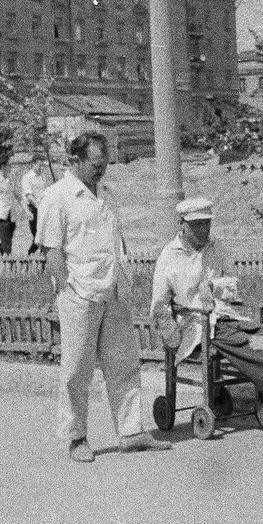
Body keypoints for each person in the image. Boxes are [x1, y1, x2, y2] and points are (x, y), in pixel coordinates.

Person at [36, 132, 171, 463]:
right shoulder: (57, 196)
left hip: (113, 292)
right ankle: (76, 437)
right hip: (79, 295)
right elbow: (51, 251)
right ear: (76, 160)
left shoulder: (108, 195)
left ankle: (131, 432)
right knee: (76, 370)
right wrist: (69, 288)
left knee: (124, 364)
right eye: (96, 165)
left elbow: (116, 241)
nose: (102, 171)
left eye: (105, 164)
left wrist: (124, 279)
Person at [149, 198, 263, 440]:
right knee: (251, 348)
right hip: (196, 324)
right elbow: (158, 304)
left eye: (207, 223)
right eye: (197, 225)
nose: (204, 229)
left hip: (227, 316)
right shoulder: (169, 256)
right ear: (181, 225)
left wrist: (213, 285)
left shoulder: (217, 247)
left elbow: (234, 286)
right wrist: (170, 333)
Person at [21, 156, 49, 256]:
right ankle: (30, 255)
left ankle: (42, 257)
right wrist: (39, 207)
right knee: (38, 236)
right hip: (35, 209)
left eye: (42, 166)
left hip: (44, 207)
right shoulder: (27, 178)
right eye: (39, 165)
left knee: (45, 234)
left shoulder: (43, 177)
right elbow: (29, 196)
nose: (41, 168)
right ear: (33, 165)